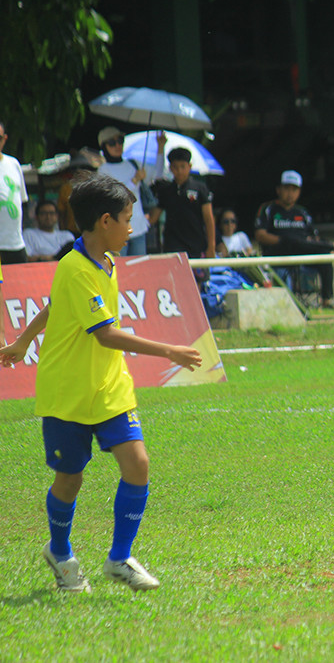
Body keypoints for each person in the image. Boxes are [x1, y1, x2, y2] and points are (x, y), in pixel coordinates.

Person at [0, 173, 202, 593]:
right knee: (69, 479)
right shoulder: (74, 268)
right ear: (106, 221)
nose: (133, 228)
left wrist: (22, 339)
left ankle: (119, 558)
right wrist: (171, 351)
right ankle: (59, 551)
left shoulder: (104, 262)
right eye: (128, 219)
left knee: (138, 464)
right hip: (68, 392)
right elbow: (106, 334)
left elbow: (57, 306)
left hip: (109, 387)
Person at [254, 170, 334, 309]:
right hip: (278, 253)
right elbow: (260, 235)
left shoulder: (302, 213)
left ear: (299, 192)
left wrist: (303, 243)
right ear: (279, 190)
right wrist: (283, 241)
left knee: (324, 257)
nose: (290, 193)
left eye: (294, 189)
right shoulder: (268, 209)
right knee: (292, 240)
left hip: (303, 251)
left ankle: (327, 300)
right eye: (287, 188)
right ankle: (333, 245)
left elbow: (313, 238)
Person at [95, 127, 166, 256]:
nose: (117, 145)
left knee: (139, 269)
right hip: (116, 229)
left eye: (120, 141)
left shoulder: (133, 164)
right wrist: (134, 180)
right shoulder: (103, 170)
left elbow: (158, 173)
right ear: (104, 146)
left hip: (138, 226)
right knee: (119, 270)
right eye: (112, 143)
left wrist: (160, 147)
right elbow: (114, 197)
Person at [150, 148, 216, 261]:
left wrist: (211, 246)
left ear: (189, 166)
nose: (179, 171)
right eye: (175, 167)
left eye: (183, 166)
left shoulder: (200, 188)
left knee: (197, 278)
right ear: (170, 168)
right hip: (172, 245)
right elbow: (153, 218)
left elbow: (208, 218)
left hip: (196, 244)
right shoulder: (166, 190)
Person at [0, 120, 29, 264]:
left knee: (21, 286)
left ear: (4, 139)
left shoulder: (13, 164)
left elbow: (22, 201)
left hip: (15, 244)